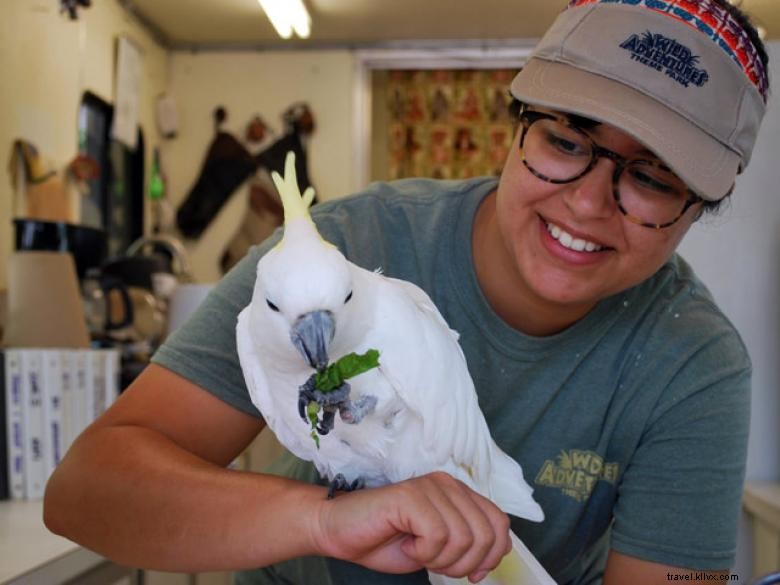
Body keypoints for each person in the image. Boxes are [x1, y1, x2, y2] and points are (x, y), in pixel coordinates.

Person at [43, 0, 770, 583]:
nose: (587, 203)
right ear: (516, 127)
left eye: (650, 178)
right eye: (567, 141)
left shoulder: (693, 361)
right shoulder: (342, 252)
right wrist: (322, 520)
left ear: (701, 205)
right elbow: (86, 490)